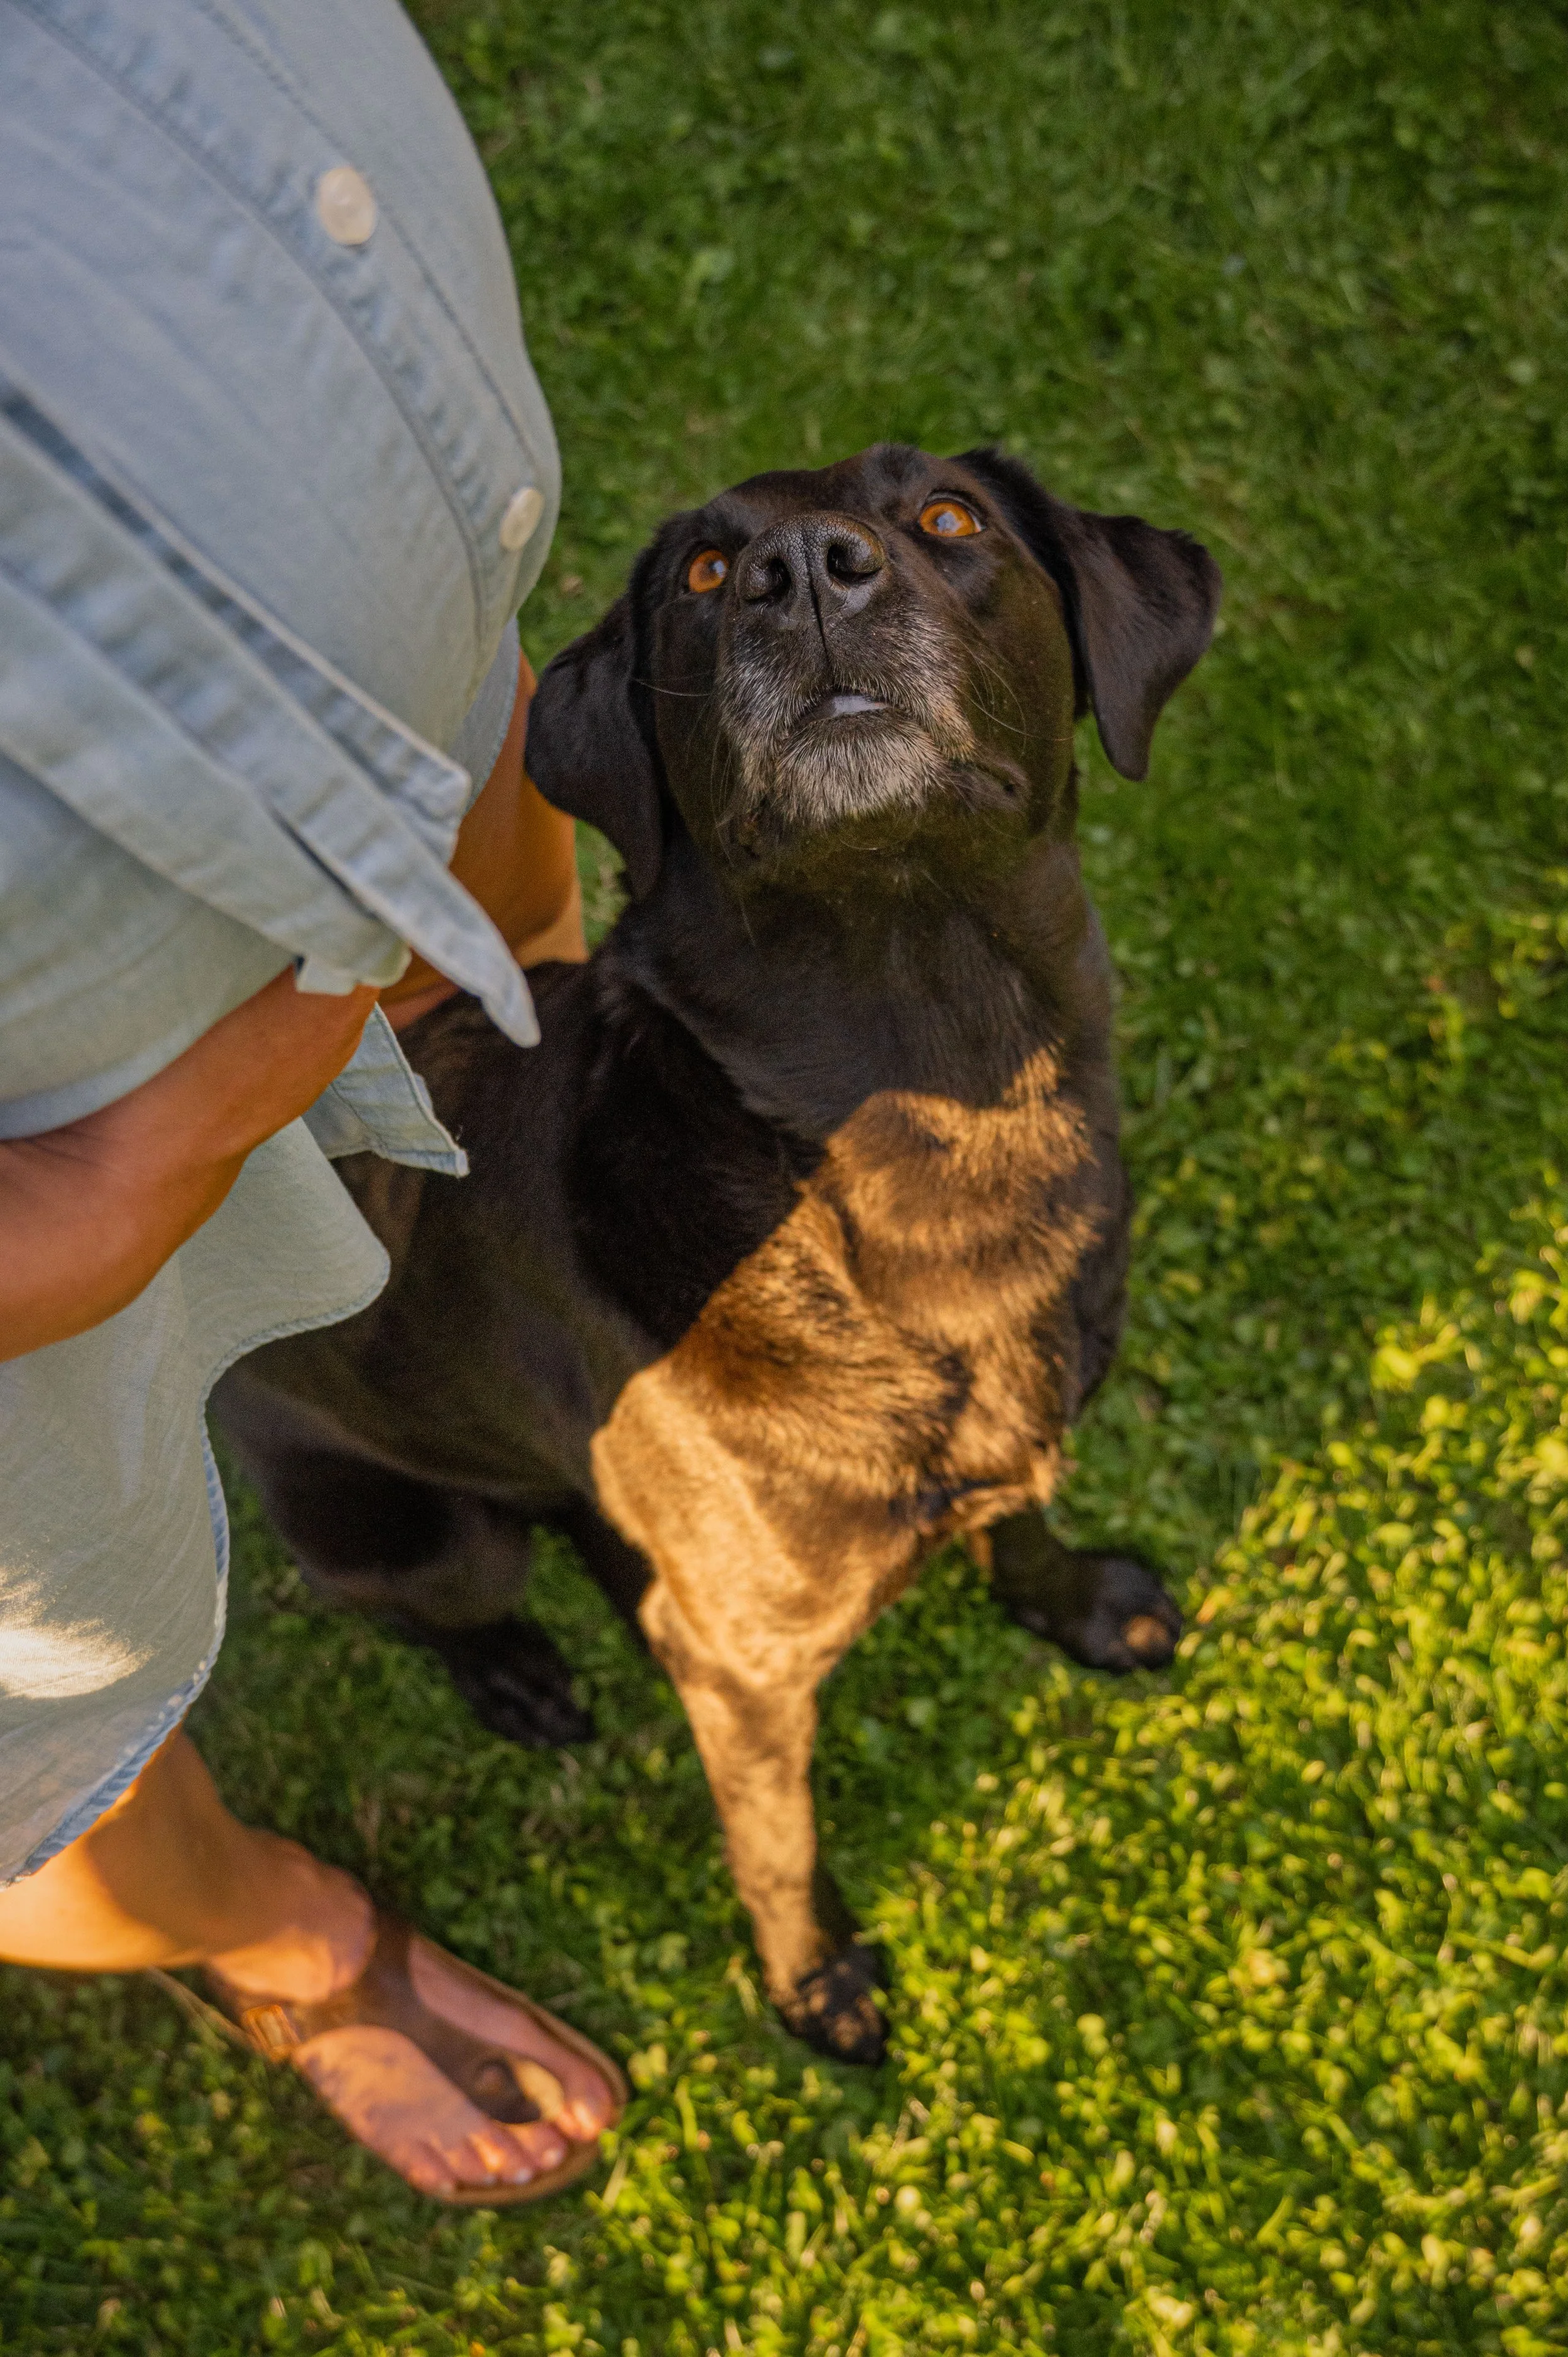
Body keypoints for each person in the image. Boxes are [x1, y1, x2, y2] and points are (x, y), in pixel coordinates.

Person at [0, 0, 625, 2202]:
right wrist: (110, 1188)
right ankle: (274, 1931)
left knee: (456, 722)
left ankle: (528, 978)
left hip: (238, 250)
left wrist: (526, 934)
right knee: (40, 1688)